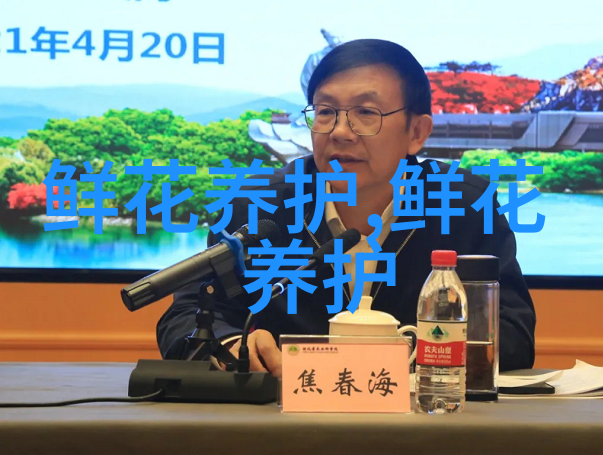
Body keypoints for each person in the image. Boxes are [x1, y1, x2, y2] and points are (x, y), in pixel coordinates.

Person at [156, 39, 536, 378]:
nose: (339, 131)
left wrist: (404, 360)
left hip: (423, 418)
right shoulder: (258, 205)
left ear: (416, 133)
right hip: (282, 420)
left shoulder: (464, 206)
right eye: (325, 112)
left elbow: (511, 333)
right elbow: (187, 317)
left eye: (366, 113)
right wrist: (230, 347)